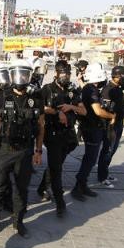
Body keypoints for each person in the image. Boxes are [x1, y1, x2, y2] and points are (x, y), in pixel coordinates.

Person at [0, 59, 44, 238]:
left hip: (25, 149)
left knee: (21, 188)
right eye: (19, 73)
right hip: (5, 148)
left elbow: (41, 125)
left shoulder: (35, 96)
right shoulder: (4, 96)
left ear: (29, 75)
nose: (21, 77)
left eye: (25, 73)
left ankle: (18, 221)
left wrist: (38, 150)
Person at [37, 61, 86, 216]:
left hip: (69, 137)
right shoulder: (47, 90)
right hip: (52, 135)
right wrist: (56, 112)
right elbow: (39, 107)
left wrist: (71, 107)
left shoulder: (72, 90)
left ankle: (41, 188)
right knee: (57, 169)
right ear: (56, 73)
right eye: (63, 73)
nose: (66, 76)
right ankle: (60, 203)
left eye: (68, 73)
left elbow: (83, 111)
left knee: (55, 165)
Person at [71, 63, 114, 202]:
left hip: (90, 127)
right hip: (92, 128)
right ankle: (78, 187)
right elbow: (97, 111)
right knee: (90, 159)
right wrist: (112, 116)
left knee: (89, 159)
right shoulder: (93, 90)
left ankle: (82, 185)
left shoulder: (87, 88)